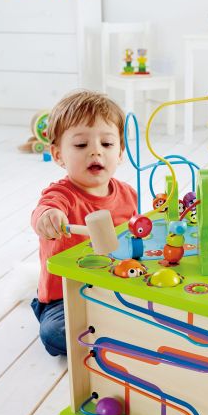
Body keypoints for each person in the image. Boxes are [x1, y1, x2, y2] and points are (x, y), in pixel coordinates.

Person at [31, 90, 137, 356]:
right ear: (58, 155)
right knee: (56, 332)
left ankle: (116, 329)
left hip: (113, 287)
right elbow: (46, 207)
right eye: (81, 145)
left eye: (107, 144)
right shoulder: (62, 195)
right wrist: (48, 217)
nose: (95, 151)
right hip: (65, 296)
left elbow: (136, 239)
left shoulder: (128, 195)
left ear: (120, 152)